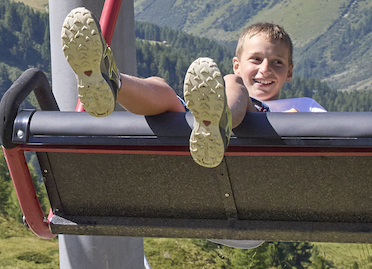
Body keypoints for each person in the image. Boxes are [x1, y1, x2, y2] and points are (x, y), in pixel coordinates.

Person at [60, 12, 324, 168]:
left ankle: (221, 123)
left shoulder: (305, 107)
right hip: (198, 139)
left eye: (277, 63)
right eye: (255, 60)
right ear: (238, 63)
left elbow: (335, 142)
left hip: (231, 161)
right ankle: (113, 83)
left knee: (232, 83)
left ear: (289, 72)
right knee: (162, 89)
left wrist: (297, 124)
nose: (265, 69)